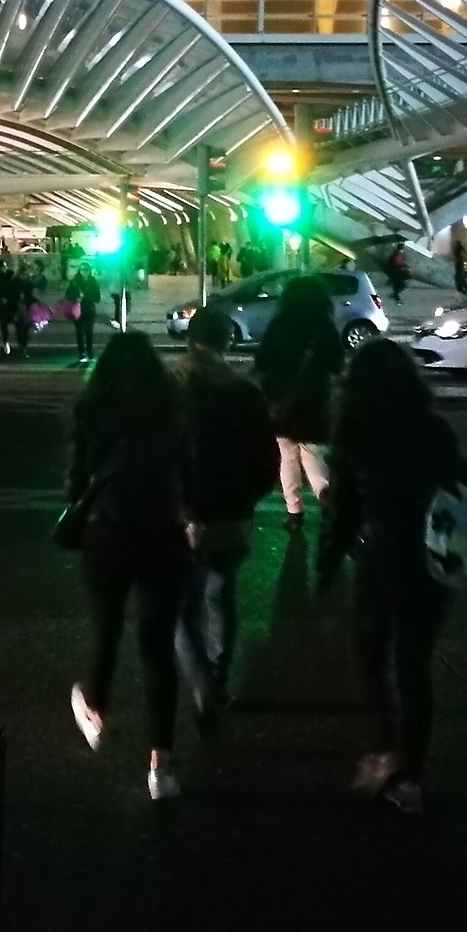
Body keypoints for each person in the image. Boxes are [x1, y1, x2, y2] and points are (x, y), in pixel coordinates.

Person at [315, 340, 467, 814]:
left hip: (382, 555)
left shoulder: (354, 430)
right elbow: (464, 488)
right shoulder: (434, 430)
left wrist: (326, 565)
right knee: (414, 665)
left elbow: (342, 508)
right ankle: (411, 776)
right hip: (431, 556)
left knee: (369, 656)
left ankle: (383, 749)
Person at [65, 331, 191, 800]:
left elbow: (75, 481)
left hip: (110, 528)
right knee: (158, 647)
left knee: (107, 627)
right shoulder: (172, 408)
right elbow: (190, 469)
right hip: (163, 530)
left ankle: (95, 708)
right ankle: (162, 764)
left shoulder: (91, 409)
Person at [175, 306, 279, 725]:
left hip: (183, 513)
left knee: (182, 608)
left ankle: (204, 686)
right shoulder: (245, 392)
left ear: (189, 339)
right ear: (228, 341)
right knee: (222, 594)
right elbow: (267, 461)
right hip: (233, 512)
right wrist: (246, 499)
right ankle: (219, 672)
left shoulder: (171, 386)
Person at [254, 274, 341, 532]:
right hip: (316, 401)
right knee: (313, 454)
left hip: (281, 401)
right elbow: (337, 363)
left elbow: (262, 361)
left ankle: (294, 512)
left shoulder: (280, 324)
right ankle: (325, 496)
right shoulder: (324, 326)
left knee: (287, 457)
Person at [65, 258, 102, 363]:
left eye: (86, 269)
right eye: (82, 269)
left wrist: (93, 298)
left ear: (89, 271)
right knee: (79, 333)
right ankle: (81, 353)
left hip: (89, 309)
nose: (84, 272)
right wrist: (75, 297)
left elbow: (97, 296)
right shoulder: (75, 282)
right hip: (78, 310)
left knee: (89, 332)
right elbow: (68, 295)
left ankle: (90, 352)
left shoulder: (93, 281)